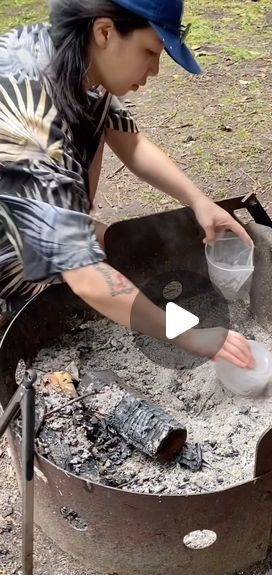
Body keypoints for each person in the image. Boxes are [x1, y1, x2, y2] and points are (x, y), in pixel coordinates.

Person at [0, 0, 255, 368]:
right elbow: (85, 275)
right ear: (105, 32)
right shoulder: (30, 117)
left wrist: (199, 201)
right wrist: (188, 336)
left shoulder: (70, 57)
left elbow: (131, 143)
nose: (154, 69)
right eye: (150, 51)